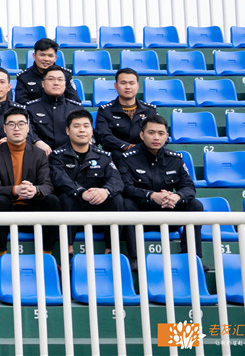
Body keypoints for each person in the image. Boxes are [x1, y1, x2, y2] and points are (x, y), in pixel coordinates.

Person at [116, 115, 204, 266]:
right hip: (140, 216)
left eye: (161, 133)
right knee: (127, 204)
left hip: (167, 212)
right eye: (151, 133)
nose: (156, 137)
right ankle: (135, 258)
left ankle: (192, 258)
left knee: (195, 205)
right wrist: (151, 195)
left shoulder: (175, 159)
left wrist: (177, 197)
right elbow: (125, 187)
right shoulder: (128, 158)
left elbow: (189, 187)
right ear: (142, 135)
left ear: (166, 136)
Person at [0, 108, 60, 259]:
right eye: (11, 124)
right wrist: (15, 190)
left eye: (21, 124)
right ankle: (0, 255)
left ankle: (47, 255)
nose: (16, 128)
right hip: (9, 208)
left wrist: (35, 190)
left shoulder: (39, 154)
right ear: (4, 128)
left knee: (53, 201)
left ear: (28, 127)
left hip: (33, 207)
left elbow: (47, 185)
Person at [49, 110, 125, 251]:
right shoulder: (57, 156)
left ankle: (111, 250)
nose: (82, 130)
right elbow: (60, 180)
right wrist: (81, 192)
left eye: (86, 126)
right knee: (67, 198)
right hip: (72, 206)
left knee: (117, 199)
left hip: (96, 206)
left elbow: (116, 180)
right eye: (76, 126)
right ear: (67, 131)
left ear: (92, 130)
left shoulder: (103, 156)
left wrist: (105, 191)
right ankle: (68, 250)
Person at [95, 68, 159, 155]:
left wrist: (141, 148)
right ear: (115, 86)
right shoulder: (105, 110)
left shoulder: (149, 110)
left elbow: (160, 134)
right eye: (123, 83)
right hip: (116, 155)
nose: (128, 87)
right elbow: (104, 136)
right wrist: (127, 146)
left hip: (144, 154)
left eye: (131, 83)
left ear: (137, 86)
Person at [25, 67, 85, 153]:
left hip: (70, 155)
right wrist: (36, 141)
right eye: (51, 79)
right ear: (43, 84)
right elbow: (27, 131)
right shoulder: (30, 108)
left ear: (65, 84)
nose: (56, 83)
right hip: (41, 155)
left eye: (60, 80)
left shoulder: (77, 109)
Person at [15, 38, 80, 104]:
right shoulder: (24, 77)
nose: (46, 59)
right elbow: (21, 102)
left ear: (55, 58)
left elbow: (75, 100)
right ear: (34, 56)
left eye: (50, 56)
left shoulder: (65, 75)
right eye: (42, 55)